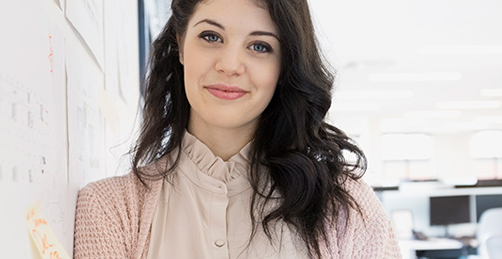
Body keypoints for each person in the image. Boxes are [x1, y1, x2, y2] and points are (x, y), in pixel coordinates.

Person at [73, 0, 401, 258]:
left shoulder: (344, 207)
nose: (229, 65)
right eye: (211, 37)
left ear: (284, 64)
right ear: (181, 44)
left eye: (260, 46)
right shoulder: (110, 209)